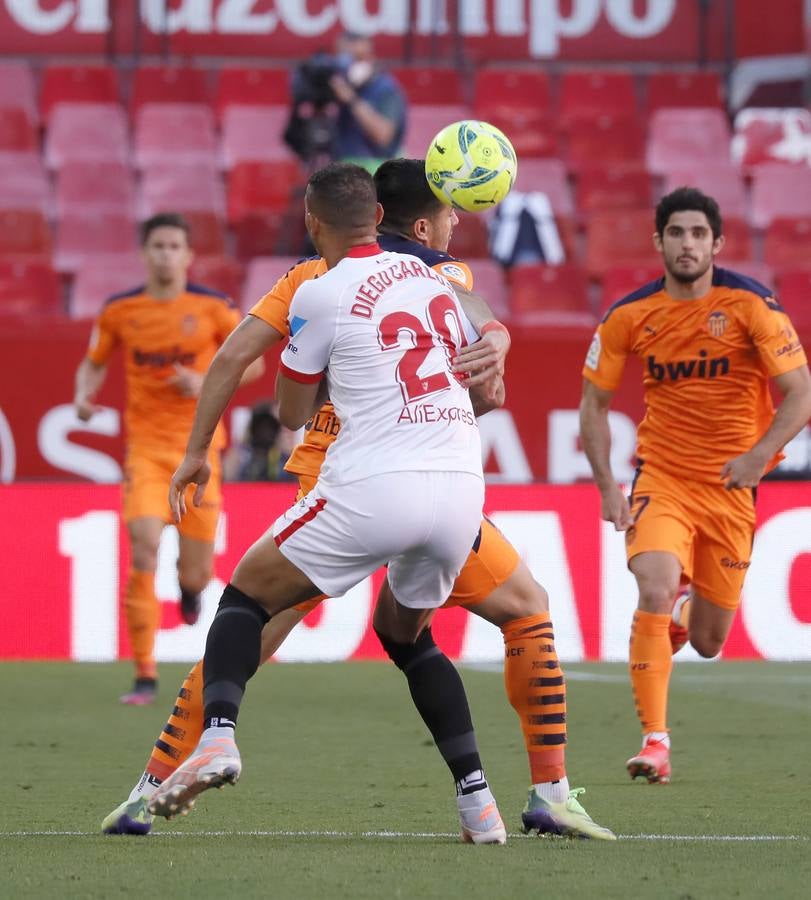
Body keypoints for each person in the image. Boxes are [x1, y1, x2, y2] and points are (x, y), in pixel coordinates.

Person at [101, 161, 614, 842]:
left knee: (246, 627)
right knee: (522, 609)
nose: (456, 226)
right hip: (432, 481)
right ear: (421, 223)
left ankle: (149, 790)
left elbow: (235, 365)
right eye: (450, 215)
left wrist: (212, 441)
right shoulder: (441, 277)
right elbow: (486, 368)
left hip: (339, 475)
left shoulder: (308, 278)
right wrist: (496, 342)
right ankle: (543, 791)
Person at [579, 187, 811, 784]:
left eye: (698, 234)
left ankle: (686, 609)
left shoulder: (752, 305)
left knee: (707, 641)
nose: (688, 244)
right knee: (652, 584)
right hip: (664, 476)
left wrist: (759, 457)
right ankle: (656, 742)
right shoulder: (629, 314)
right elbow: (594, 404)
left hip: (732, 489)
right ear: (658, 241)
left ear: (717, 242)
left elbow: (800, 391)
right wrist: (608, 485)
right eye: (676, 233)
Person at [73, 213, 265, 705]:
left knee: (197, 570)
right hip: (149, 453)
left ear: (188, 255)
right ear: (145, 253)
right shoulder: (121, 310)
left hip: (199, 454)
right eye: (157, 245)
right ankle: (143, 674)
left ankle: (190, 589)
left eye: (174, 245)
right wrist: (83, 397)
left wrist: (206, 383)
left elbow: (257, 361)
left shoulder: (212, 308)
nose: (165, 254)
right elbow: (93, 363)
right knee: (141, 549)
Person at [286, 31, 406, 171]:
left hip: (379, 174)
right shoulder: (339, 85)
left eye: (356, 58)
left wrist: (351, 99)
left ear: (370, 57)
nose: (347, 63)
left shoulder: (386, 89)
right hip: (344, 173)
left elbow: (383, 136)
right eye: (342, 57)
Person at [222, 400, 295, 482]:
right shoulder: (241, 454)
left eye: (271, 426)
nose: (266, 432)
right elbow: (228, 481)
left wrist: (290, 456)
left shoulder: (287, 458)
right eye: (261, 426)